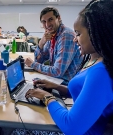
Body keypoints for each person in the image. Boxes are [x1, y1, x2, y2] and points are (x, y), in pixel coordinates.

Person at [21, 0, 113, 134]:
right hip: (79, 119)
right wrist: (56, 87)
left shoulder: (100, 72)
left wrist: (47, 97)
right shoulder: (95, 59)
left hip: (80, 130)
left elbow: (71, 127)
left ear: (97, 33)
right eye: (44, 22)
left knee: (19, 127)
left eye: (79, 34)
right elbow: (86, 92)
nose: (75, 39)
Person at [25, 7, 82, 83]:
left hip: (66, 85)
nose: (47, 24)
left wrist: (32, 64)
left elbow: (57, 72)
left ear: (58, 18)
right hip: (56, 80)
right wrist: (41, 43)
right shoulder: (52, 34)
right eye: (44, 21)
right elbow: (39, 61)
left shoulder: (66, 36)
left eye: (50, 19)